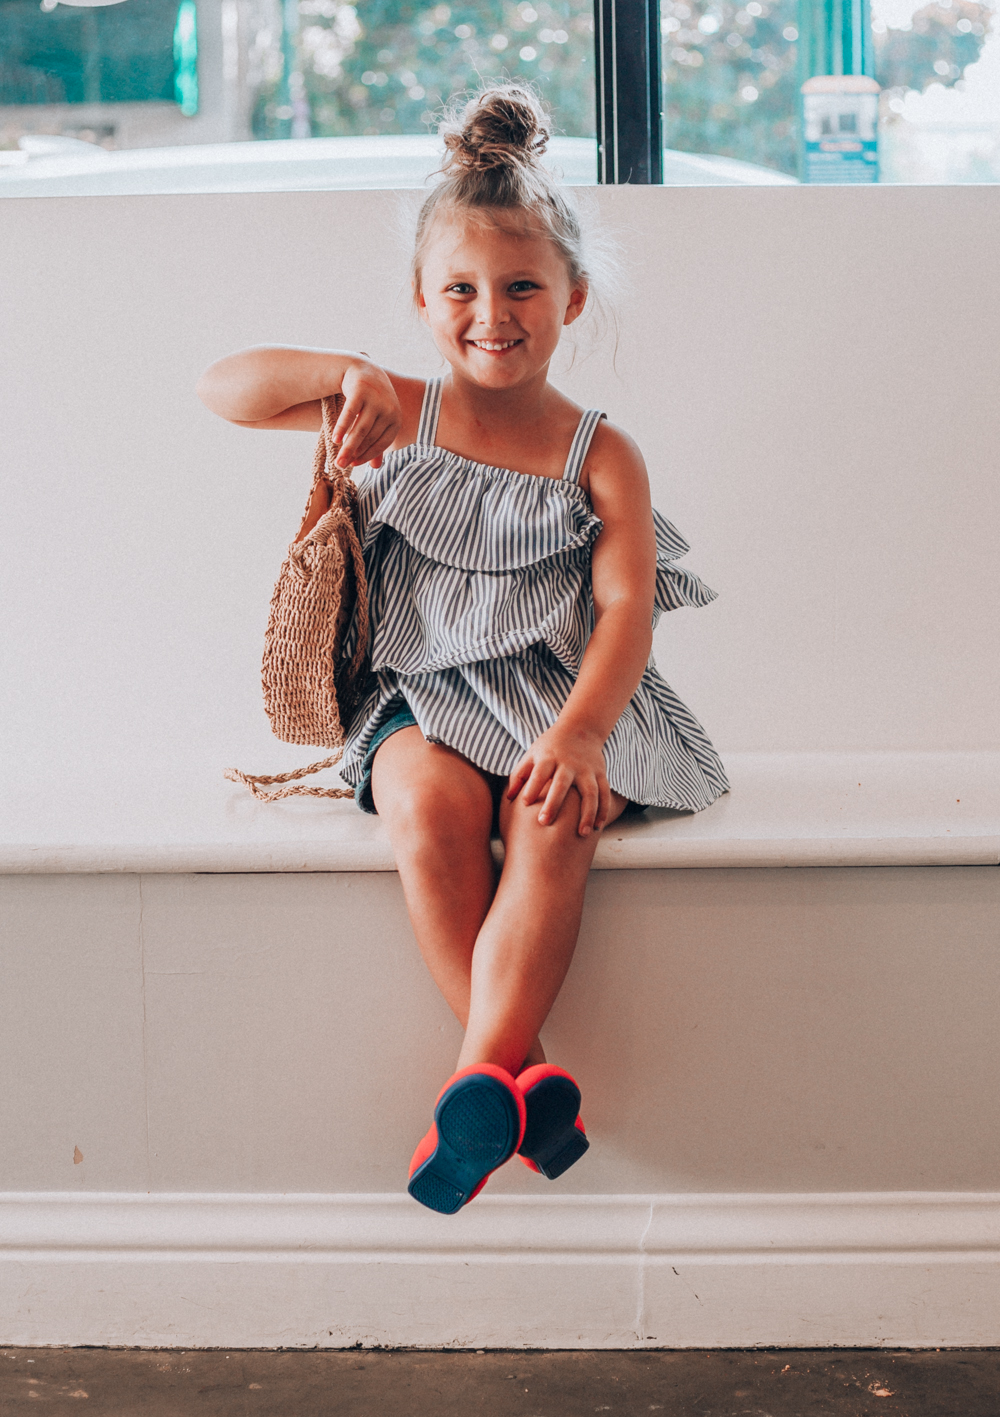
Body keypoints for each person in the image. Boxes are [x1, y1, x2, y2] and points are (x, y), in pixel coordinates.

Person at [197, 83, 728, 1215]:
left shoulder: (601, 453)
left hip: (555, 702)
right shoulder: (395, 409)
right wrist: (342, 376)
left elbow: (626, 607)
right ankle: (518, 1072)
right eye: (463, 289)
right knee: (427, 807)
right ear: (422, 299)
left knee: (552, 817)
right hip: (419, 699)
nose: (494, 312)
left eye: (524, 285)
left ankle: (479, 1073)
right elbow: (224, 390)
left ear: (573, 296)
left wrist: (583, 734)